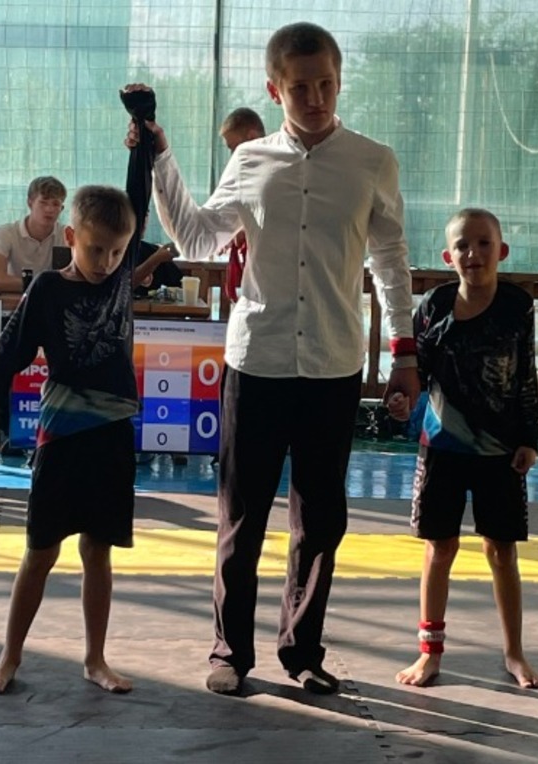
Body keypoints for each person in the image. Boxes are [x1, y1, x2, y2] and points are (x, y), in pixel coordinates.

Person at [123, 20, 421, 697]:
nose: (315, 99)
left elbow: (390, 261)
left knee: (321, 522)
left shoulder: (373, 161)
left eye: (326, 85)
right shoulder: (251, 159)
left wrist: (404, 351)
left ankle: (303, 650)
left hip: (333, 363)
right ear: (274, 89)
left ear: (339, 82)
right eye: (300, 88)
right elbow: (198, 237)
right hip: (255, 359)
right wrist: (161, 158)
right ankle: (230, 651)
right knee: (241, 516)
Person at [0, 185, 139, 695]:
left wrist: (145, 144)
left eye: (117, 252)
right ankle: (9, 656)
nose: (106, 263)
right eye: (95, 250)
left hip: (111, 436)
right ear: (71, 237)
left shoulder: (121, 279)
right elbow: (6, 355)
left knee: (97, 551)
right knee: (40, 552)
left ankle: (95, 659)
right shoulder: (47, 289)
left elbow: (140, 196)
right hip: (61, 436)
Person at [389, 207, 538, 690]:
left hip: (500, 448)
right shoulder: (434, 306)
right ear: (448, 256)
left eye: (483, 244)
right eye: (462, 245)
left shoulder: (517, 306)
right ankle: (429, 652)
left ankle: (514, 652)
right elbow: (416, 370)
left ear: (502, 251)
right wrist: (400, 399)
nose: (473, 253)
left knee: (501, 550)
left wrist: (529, 437)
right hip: (442, 445)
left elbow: (525, 374)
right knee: (440, 547)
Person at [217, 108, 266, 302]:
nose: (232, 156)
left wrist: (244, 227)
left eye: (234, 148)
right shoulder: (243, 172)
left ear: (252, 137)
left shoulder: (276, 171)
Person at [0, 176, 68, 293]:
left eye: (55, 204)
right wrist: (44, 285)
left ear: (62, 208)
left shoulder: (67, 235)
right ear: (30, 203)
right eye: (43, 203)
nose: (49, 209)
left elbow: (70, 281)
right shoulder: (4, 234)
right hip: (14, 300)